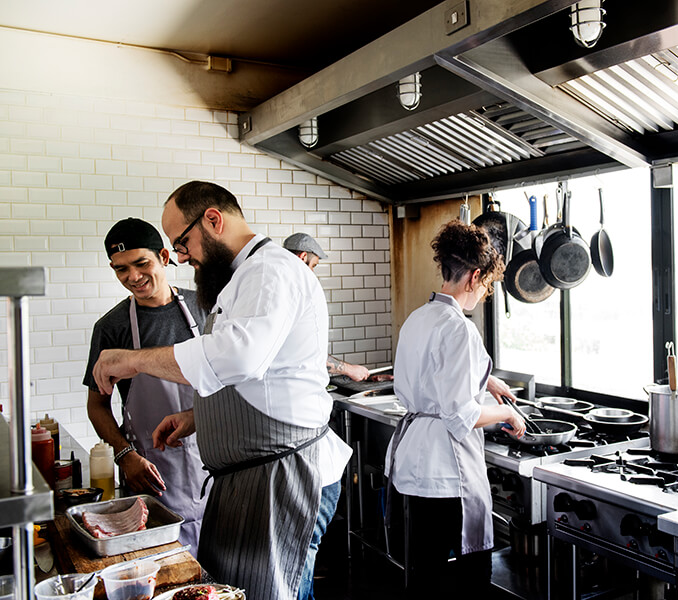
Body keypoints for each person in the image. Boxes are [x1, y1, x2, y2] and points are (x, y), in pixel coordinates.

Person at [91, 181, 351, 600]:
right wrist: (200, 417)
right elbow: (259, 377)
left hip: (283, 475)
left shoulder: (270, 270)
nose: (181, 256)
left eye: (182, 242)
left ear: (213, 220)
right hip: (253, 478)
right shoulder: (243, 278)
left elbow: (237, 358)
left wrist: (133, 359)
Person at [384, 219, 526, 596]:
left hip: (413, 466)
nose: (485, 293)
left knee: (424, 575)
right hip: (446, 474)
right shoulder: (460, 328)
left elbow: (425, 380)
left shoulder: (419, 317)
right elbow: (463, 415)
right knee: (470, 581)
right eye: (488, 285)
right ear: (474, 276)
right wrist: (509, 414)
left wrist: (485, 378)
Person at [83, 217, 208, 552]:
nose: (133, 278)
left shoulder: (206, 307)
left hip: (215, 462)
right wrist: (125, 456)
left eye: (141, 264)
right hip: (153, 471)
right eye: (120, 269)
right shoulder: (112, 327)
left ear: (164, 257)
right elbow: (97, 405)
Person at [283, 232, 374, 383]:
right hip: (293, 390)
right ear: (303, 257)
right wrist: (350, 369)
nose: (312, 273)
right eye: (313, 266)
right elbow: (306, 353)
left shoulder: (280, 287)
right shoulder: (294, 293)